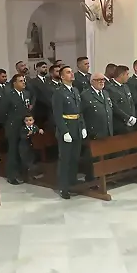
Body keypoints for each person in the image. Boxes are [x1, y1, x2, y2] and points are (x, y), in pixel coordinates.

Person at [52, 66, 89, 199]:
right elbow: (57, 114)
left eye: (71, 72)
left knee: (74, 158)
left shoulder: (75, 90)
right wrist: (64, 131)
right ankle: (63, 187)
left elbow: (80, 112)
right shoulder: (58, 92)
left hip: (77, 128)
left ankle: (72, 182)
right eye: (68, 72)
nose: (71, 74)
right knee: (65, 160)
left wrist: (83, 126)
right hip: (67, 129)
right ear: (62, 77)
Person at [2, 74, 34, 185]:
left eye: (24, 80)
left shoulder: (26, 94)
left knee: (25, 151)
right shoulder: (9, 95)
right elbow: (3, 111)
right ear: (14, 83)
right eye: (20, 81)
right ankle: (12, 175)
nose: (23, 83)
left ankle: (24, 173)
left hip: (24, 127)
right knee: (13, 151)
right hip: (13, 126)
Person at [19, 113, 44, 179]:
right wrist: (27, 134)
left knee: (32, 159)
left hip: (33, 147)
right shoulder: (23, 128)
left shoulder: (35, 127)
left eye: (30, 120)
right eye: (26, 121)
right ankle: (25, 175)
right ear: (24, 121)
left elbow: (38, 131)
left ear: (33, 121)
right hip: (25, 147)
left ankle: (34, 173)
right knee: (26, 160)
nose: (28, 122)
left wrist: (40, 130)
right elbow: (22, 137)